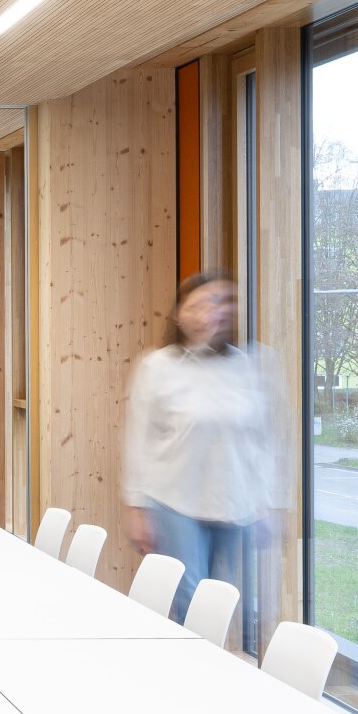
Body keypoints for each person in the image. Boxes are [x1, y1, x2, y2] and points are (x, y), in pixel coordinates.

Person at [121, 268, 279, 648]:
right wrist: (136, 507)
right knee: (192, 601)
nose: (214, 311)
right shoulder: (158, 366)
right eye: (201, 303)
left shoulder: (248, 366)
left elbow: (262, 440)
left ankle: (196, 671)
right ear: (179, 315)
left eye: (223, 302)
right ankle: (196, 684)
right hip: (174, 499)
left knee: (221, 601)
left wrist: (267, 502)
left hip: (233, 502)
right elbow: (138, 438)